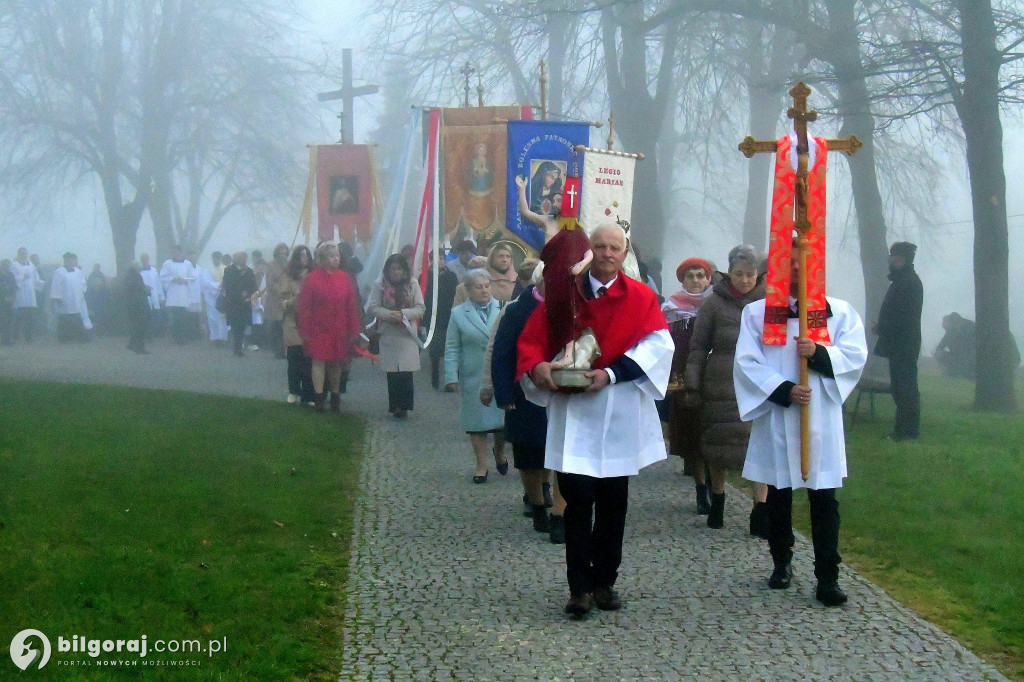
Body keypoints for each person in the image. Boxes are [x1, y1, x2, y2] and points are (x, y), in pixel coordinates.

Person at [517, 224, 673, 618]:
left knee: (613, 503)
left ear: (624, 254)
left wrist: (612, 373)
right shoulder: (562, 294)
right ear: (590, 251)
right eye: (599, 246)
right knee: (577, 501)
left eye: (614, 248)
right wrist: (537, 367)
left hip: (617, 409)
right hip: (574, 413)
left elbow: (658, 343)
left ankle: (605, 581)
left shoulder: (640, 296)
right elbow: (531, 340)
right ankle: (578, 588)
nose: (606, 253)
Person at [735, 255, 868, 606]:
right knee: (778, 494)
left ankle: (828, 576)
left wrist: (820, 354)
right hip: (780, 413)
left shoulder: (837, 311)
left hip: (820, 416)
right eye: (789, 261)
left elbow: (854, 355)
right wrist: (783, 389)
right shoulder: (758, 313)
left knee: (823, 498)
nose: (796, 268)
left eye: (802, 261)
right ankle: (781, 561)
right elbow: (747, 361)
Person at [684, 245, 768, 535]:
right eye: (739, 274)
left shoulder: (770, 304)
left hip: (758, 381)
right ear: (729, 273)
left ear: (758, 275)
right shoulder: (714, 304)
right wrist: (692, 384)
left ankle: (760, 509)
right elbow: (698, 347)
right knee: (718, 445)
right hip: (720, 379)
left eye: (750, 274)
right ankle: (717, 500)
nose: (744, 280)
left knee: (758, 448)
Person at [489, 262, 566, 542]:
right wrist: (504, 393)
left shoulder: (573, 306)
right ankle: (537, 506)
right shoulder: (517, 310)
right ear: (538, 281)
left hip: (565, 390)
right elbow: (502, 353)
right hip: (525, 392)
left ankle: (560, 514)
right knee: (530, 454)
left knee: (563, 455)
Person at [662, 257, 715, 514]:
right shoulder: (671, 309)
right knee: (692, 435)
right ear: (683, 280)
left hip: (712, 374)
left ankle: (717, 485)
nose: (696, 280)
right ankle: (701, 488)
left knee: (713, 431)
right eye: (691, 276)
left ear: (708, 279)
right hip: (683, 375)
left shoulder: (715, 305)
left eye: (701, 275)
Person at [445, 268, 508, 482]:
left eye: (487, 286)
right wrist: (451, 376)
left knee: (501, 421)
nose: (484, 290)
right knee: (475, 422)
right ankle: (481, 465)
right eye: (478, 287)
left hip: (498, 372)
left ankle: (499, 452)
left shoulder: (504, 309)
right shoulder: (458, 314)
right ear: (468, 290)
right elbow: (452, 346)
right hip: (472, 374)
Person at [298, 243, 363, 413]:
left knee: (336, 362)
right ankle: (318, 398)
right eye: (332, 256)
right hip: (318, 329)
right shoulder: (312, 279)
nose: (336, 259)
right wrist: (304, 330)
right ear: (322, 259)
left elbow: (351, 304)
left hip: (339, 328)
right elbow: (304, 306)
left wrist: (354, 328)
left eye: (337, 256)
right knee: (318, 362)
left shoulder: (344, 278)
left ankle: (335, 396)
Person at [873, 241, 923, 441]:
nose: (890, 261)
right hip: (901, 344)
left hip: (904, 345)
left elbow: (903, 317)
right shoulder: (904, 281)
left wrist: (882, 327)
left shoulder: (908, 283)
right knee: (900, 387)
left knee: (905, 389)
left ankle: (907, 432)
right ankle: (903, 430)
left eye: (892, 257)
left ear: (900, 259)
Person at [367, 254, 425, 419]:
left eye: (399, 268)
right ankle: (395, 406)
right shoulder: (380, 284)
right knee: (392, 372)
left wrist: (404, 314)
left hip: (407, 333)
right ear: (387, 270)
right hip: (388, 332)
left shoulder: (413, 284)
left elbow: (420, 307)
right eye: (393, 269)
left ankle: (405, 405)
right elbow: (373, 307)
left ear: (404, 270)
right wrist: (389, 314)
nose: (396, 272)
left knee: (406, 372)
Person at [278, 245, 314, 404]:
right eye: (301, 255)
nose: (304, 258)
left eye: (307, 255)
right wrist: (291, 301)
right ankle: (293, 390)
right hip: (292, 322)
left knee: (308, 360)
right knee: (293, 359)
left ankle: (308, 394)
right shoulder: (288, 276)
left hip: (311, 323)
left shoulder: (314, 275)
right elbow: (282, 298)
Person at [423, 248, 459, 389]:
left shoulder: (451, 276)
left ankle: (451, 379)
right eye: (436, 257)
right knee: (435, 348)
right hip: (432, 317)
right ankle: (435, 375)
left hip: (448, 315)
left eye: (442, 257)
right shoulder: (425, 276)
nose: (440, 260)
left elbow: (455, 295)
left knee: (450, 347)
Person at [50, 252, 90, 343]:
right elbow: (55, 285)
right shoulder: (59, 272)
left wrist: (82, 293)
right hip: (64, 300)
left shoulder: (78, 272)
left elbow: (83, 284)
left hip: (76, 299)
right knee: (64, 319)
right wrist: (57, 297)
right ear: (65, 260)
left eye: (71, 259)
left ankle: (80, 337)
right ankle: (63, 338)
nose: (70, 261)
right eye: (67, 259)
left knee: (77, 317)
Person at [222, 251, 256, 357]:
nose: (244, 260)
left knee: (242, 325)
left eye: (245, 258)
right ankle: (237, 347)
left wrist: (248, 292)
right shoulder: (229, 270)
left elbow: (253, 286)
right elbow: (227, 285)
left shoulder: (249, 271)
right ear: (236, 259)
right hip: (233, 303)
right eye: (241, 257)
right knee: (235, 325)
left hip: (245, 303)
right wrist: (239, 292)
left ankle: (239, 347)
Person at [160, 245, 194, 345]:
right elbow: (162, 277)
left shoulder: (188, 264)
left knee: (183, 316)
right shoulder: (167, 263)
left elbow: (192, 277)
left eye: (175, 252)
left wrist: (185, 280)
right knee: (175, 316)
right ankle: (176, 337)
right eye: (172, 252)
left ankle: (182, 336)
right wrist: (174, 279)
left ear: (180, 252)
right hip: (173, 294)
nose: (173, 254)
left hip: (183, 294)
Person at [10, 247, 42, 342]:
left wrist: (42, 283)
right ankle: (15, 334)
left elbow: (36, 278)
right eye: (22, 253)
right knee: (19, 316)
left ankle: (29, 336)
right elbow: (12, 278)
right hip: (20, 294)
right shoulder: (13, 265)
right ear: (19, 253)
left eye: (25, 253)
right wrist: (22, 277)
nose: (24, 255)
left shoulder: (31, 265)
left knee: (30, 316)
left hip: (30, 294)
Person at [264, 243, 289, 358]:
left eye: (285, 253)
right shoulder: (270, 265)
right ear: (276, 254)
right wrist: (281, 290)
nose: (283, 256)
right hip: (274, 300)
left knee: (285, 326)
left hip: (287, 300)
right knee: (276, 326)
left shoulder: (288, 266)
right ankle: (277, 350)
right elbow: (270, 283)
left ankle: (285, 349)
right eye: (281, 253)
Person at [934, 312, 976, 379]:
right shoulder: (951, 330)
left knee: (961, 357)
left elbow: (966, 345)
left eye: (946, 327)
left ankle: (963, 373)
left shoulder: (968, 326)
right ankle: (953, 372)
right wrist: (937, 351)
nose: (946, 330)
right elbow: (943, 343)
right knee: (941, 354)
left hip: (970, 355)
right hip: (960, 355)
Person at [198, 252, 228, 347]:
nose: (216, 260)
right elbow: (205, 282)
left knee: (222, 318)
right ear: (212, 258)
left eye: (218, 258)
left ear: (221, 258)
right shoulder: (207, 269)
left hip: (222, 296)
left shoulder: (225, 269)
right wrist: (217, 286)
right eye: (215, 258)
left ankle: (222, 338)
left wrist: (222, 288)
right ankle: (215, 338)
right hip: (211, 297)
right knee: (212, 318)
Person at [123, 262, 151, 354]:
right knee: (140, 327)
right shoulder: (137, 277)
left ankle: (131, 344)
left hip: (131, 306)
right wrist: (147, 290)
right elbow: (140, 290)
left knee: (136, 326)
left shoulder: (128, 277)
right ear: (136, 267)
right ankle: (139, 347)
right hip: (139, 306)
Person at [138, 253, 164, 338]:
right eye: (143, 259)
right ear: (141, 260)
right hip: (144, 297)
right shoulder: (138, 271)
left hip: (154, 296)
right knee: (146, 317)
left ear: (148, 259)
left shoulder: (153, 270)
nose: (144, 260)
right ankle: (147, 334)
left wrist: (161, 297)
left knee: (156, 316)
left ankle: (154, 333)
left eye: (146, 258)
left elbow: (158, 283)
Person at [0, 259, 18, 346]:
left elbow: (14, 286)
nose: (5, 267)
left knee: (9, 321)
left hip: (9, 302)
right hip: (1, 301)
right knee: (2, 321)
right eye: (4, 265)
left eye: (7, 266)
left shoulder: (11, 275)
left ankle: (7, 338)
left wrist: (12, 296)